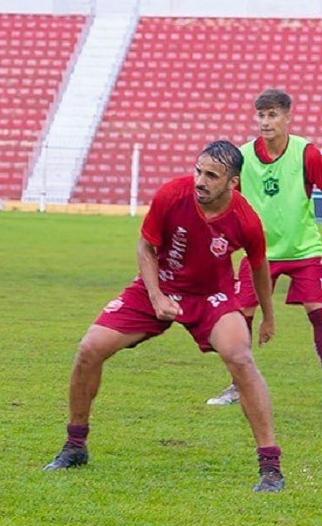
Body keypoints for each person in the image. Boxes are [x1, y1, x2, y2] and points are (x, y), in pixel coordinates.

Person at [43, 140, 285, 493]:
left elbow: (259, 266)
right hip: (158, 285)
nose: (200, 180)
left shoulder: (245, 220)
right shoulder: (172, 194)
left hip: (210, 296)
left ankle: (271, 467)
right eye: (198, 170)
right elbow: (145, 246)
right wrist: (156, 295)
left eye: (211, 175)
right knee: (89, 348)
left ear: (232, 183)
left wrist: (269, 315)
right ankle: (75, 445)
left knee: (241, 358)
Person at [207, 89, 322, 405]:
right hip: (259, 254)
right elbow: (230, 202)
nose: (265, 121)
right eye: (261, 115)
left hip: (305, 251)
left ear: (287, 117)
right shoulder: (242, 158)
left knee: (319, 313)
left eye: (272, 115)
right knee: (240, 314)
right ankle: (236, 386)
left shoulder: (307, 153)